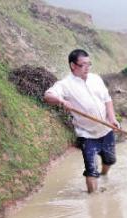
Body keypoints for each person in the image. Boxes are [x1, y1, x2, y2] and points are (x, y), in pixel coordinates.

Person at [44, 49, 119, 193]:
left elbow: (107, 99)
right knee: (91, 169)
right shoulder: (65, 84)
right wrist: (61, 100)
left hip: (106, 129)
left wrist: (112, 119)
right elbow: (48, 95)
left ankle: (104, 175)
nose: (87, 67)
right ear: (73, 65)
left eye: (89, 64)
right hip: (87, 134)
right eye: (83, 64)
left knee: (109, 160)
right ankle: (93, 199)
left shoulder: (96, 78)